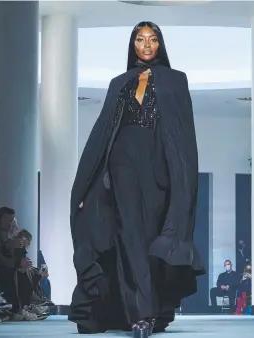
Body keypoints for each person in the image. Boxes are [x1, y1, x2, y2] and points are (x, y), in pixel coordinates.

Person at [68, 21, 205, 336]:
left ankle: (156, 309)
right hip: (122, 165)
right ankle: (140, 314)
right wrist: (91, 184)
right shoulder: (119, 82)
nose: (147, 44)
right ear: (132, 44)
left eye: (153, 39)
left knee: (155, 240)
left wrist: (182, 179)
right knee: (129, 237)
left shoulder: (175, 80)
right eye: (141, 39)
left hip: (160, 168)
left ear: (160, 44)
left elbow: (183, 135)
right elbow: (103, 133)